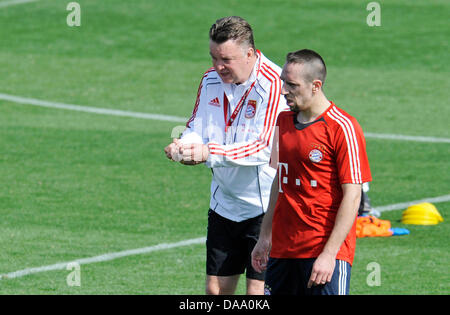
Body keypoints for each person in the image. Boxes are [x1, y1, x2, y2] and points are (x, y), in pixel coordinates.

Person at [164, 16, 287, 295]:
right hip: (223, 204)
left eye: (226, 60)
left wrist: (208, 152)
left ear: (250, 54)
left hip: (265, 210)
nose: (218, 66)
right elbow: (196, 125)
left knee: (256, 294)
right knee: (215, 291)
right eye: (213, 57)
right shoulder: (210, 80)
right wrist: (184, 146)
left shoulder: (274, 85)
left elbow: (264, 147)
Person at [251, 49, 372, 295]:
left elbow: (353, 196)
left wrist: (329, 255)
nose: (284, 90)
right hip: (283, 251)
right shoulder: (282, 122)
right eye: (284, 81)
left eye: (292, 84)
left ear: (316, 85)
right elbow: (279, 180)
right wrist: (265, 237)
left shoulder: (343, 127)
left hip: (322, 251)